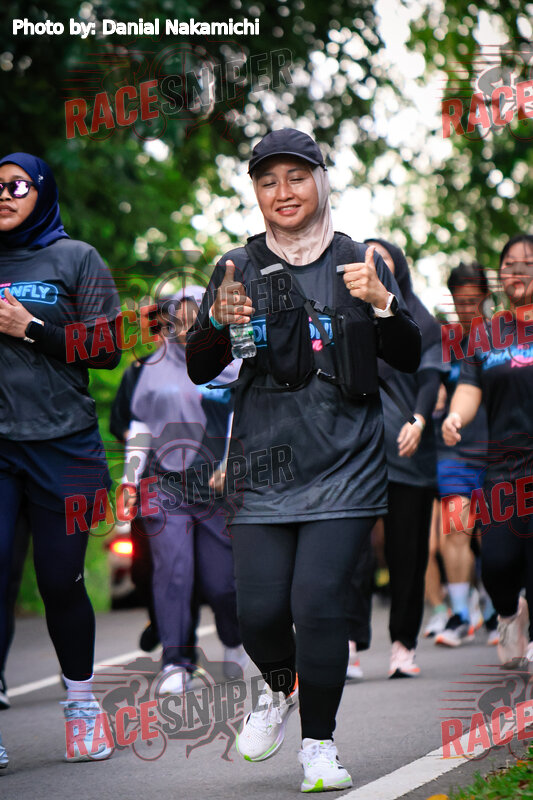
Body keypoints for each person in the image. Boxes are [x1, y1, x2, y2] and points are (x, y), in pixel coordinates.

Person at [186, 128, 421, 792]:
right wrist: (215, 321)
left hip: (346, 465)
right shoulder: (237, 267)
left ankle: (318, 744)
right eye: (268, 181)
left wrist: (383, 303)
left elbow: (408, 354)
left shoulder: (358, 260)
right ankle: (279, 688)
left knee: (317, 605)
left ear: (321, 180)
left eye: (296, 177)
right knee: (258, 614)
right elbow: (200, 366)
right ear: (256, 193)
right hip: (262, 468)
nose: (283, 192)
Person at [0, 153, 120, 761]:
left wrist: (30, 328)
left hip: (64, 446)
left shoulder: (76, 258)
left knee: (59, 581)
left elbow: (107, 346)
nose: (3, 194)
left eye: (16, 184)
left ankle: (81, 704)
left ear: (41, 190)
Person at [122, 289, 247, 694]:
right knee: (173, 572)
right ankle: (176, 662)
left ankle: (235, 639)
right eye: (176, 321)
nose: (183, 328)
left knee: (222, 583)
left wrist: (231, 462)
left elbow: (244, 414)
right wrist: (128, 480)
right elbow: (140, 426)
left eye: (193, 320)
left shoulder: (231, 362)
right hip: (164, 484)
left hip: (216, 487)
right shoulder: (151, 369)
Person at [348, 238, 447, 679]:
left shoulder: (422, 321)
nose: (373, 266)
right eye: (365, 259)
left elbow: (430, 378)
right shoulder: (345, 315)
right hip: (355, 455)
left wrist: (421, 420)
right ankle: (348, 643)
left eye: (383, 260)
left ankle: (404, 645)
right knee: (351, 553)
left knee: (407, 553)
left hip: (409, 453)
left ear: (398, 269)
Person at [442, 234, 533, 665]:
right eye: (510, 264)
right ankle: (509, 614)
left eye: (528, 262)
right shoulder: (486, 336)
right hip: (503, 470)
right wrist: (455, 417)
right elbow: (468, 387)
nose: (518, 270)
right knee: (497, 563)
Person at [433, 262, 494, 647]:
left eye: (474, 300)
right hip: (454, 453)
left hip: (498, 451)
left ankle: (496, 611)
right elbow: (424, 383)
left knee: (493, 534)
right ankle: (459, 615)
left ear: (486, 297)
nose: (467, 308)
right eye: (460, 301)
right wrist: (435, 395)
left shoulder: (504, 338)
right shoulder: (444, 343)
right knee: (456, 529)